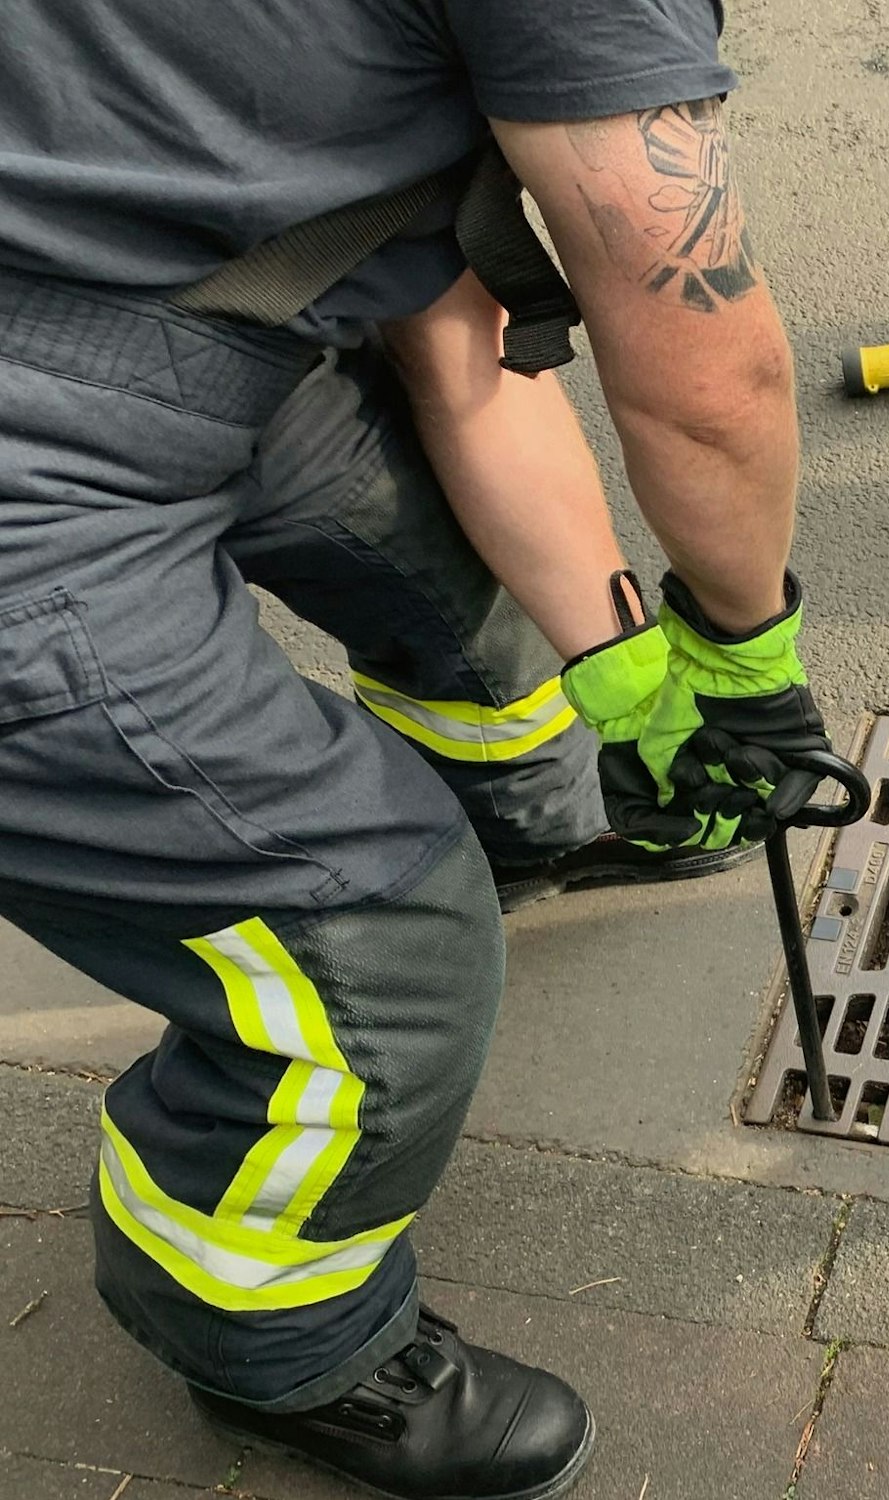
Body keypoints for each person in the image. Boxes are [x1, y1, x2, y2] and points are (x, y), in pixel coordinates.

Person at [0, 2, 834, 1496]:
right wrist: (747, 646)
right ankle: (270, 1332)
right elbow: (711, 378)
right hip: (40, 457)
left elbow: (455, 359)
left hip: (164, 314)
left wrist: (638, 675)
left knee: (469, 593)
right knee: (379, 941)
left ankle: (531, 822)